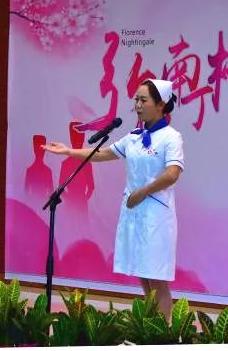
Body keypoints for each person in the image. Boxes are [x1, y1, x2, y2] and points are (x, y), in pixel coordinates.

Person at [43, 79, 184, 318]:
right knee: (143, 274)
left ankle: (164, 330)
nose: (137, 105)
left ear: (160, 104)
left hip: (156, 216)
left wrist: (142, 192)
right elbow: (103, 153)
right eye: (136, 100)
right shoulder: (134, 137)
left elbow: (172, 174)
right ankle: (150, 326)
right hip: (134, 212)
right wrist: (69, 151)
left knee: (157, 277)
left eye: (143, 100)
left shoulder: (171, 137)